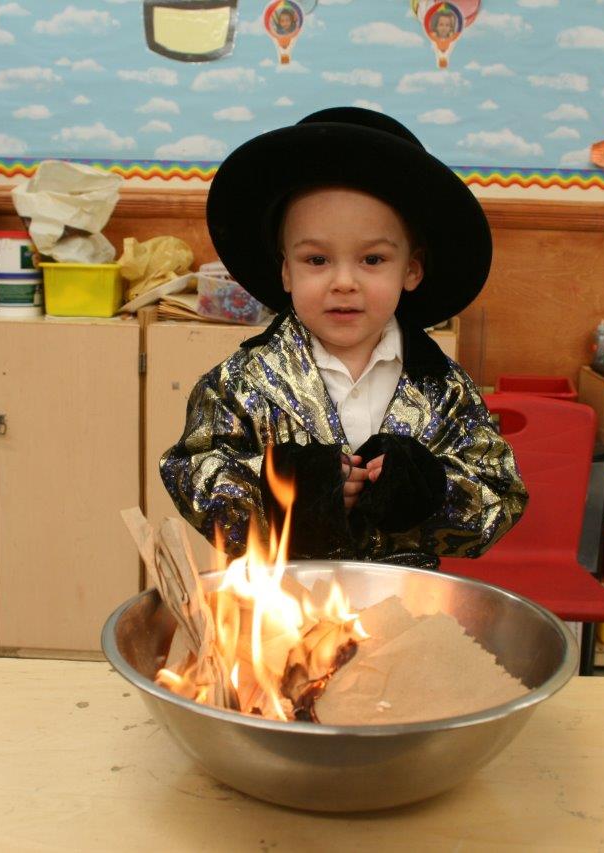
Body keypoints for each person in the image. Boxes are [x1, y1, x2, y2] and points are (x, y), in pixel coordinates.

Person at [160, 107, 526, 569]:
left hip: (403, 598)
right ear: (286, 270)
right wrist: (281, 488)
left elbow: (501, 493)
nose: (344, 282)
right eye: (317, 260)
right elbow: (191, 474)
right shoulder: (242, 381)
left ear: (411, 270)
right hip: (281, 598)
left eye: (372, 260)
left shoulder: (445, 387)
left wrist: (430, 492)